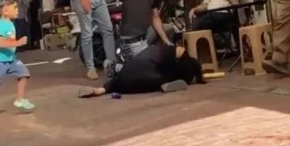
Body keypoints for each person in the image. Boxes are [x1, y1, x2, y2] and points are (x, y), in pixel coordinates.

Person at [77, 44, 205, 98]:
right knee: (162, 78)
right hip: (143, 78)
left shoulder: (158, 49)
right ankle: (168, 84)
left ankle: (100, 90)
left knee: (121, 78)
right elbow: (181, 54)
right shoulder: (173, 57)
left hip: (125, 78)